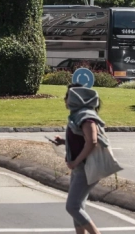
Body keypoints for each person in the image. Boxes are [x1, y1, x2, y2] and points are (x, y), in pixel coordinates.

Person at [50, 83, 105, 234]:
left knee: (72, 207)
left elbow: (92, 141)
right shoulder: (78, 115)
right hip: (80, 168)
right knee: (78, 206)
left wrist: (76, 161)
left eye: (68, 96)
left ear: (76, 98)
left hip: (86, 168)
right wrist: (63, 142)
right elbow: (81, 140)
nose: (65, 99)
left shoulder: (87, 118)